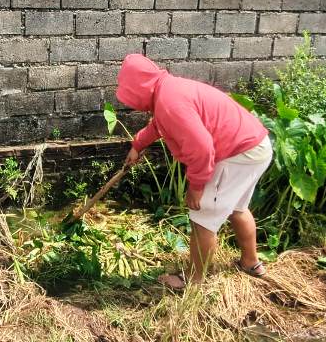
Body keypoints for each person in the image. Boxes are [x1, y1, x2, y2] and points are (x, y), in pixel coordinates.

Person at [116, 54, 272, 289]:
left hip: (237, 154)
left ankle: (193, 281)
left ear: (139, 87)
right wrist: (138, 145)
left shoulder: (169, 102)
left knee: (202, 218)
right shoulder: (168, 90)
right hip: (255, 146)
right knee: (238, 208)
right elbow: (159, 124)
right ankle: (251, 263)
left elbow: (202, 149)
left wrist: (197, 187)